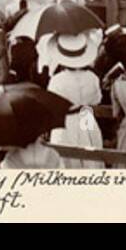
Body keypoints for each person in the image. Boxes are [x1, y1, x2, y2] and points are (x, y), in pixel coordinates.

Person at [43, 30, 104, 168]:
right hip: (86, 115)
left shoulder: (57, 80)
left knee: (67, 158)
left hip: (65, 119)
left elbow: (51, 103)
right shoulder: (92, 77)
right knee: (89, 151)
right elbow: (97, 99)